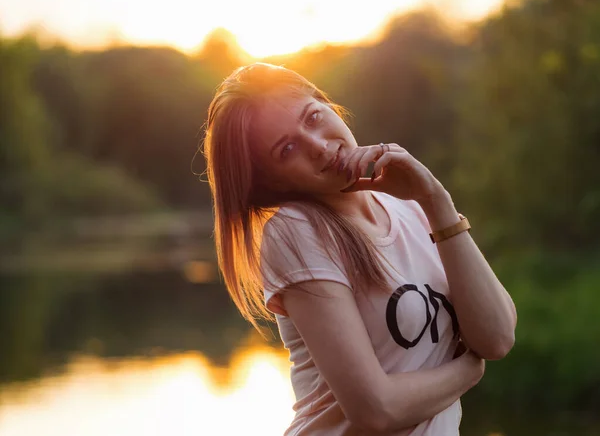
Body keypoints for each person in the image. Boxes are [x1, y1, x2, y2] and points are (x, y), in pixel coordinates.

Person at [202, 62, 517, 435]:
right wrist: (469, 369)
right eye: (287, 149)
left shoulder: (413, 210)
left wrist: (436, 199)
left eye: (314, 117)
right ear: (271, 181)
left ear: (329, 106)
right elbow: (376, 409)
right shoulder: (295, 232)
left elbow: (497, 337)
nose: (318, 147)